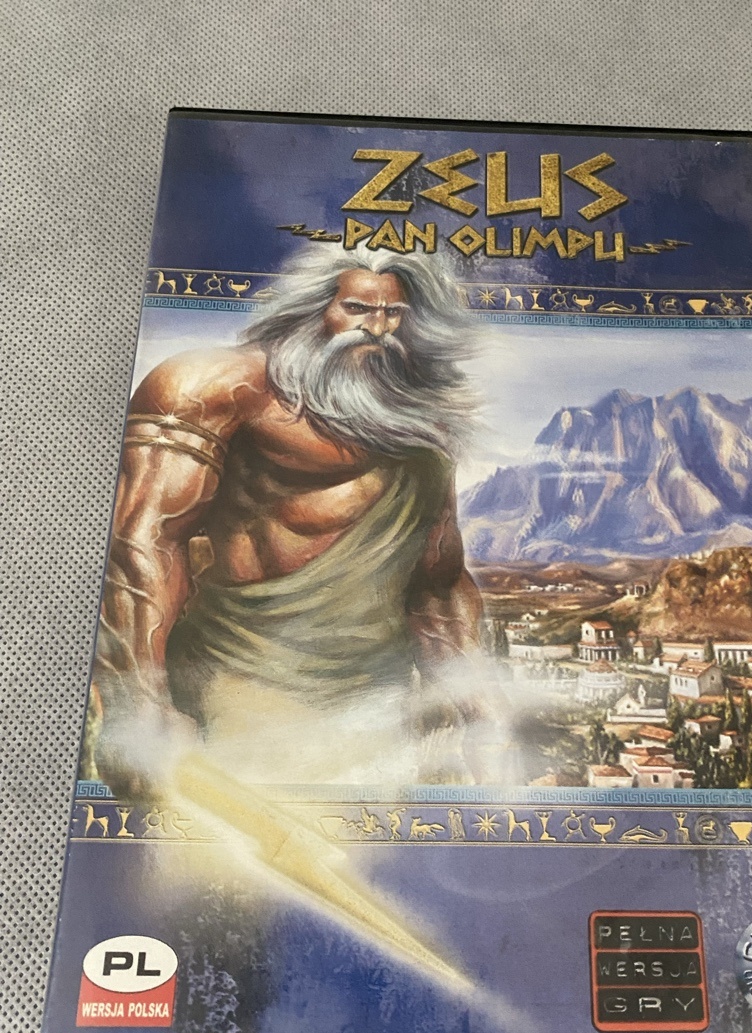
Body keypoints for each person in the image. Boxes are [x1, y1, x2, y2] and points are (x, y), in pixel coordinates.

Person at [92, 247, 488, 801]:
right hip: (236, 685)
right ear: (314, 309)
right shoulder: (213, 387)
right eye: (356, 309)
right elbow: (142, 540)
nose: (377, 328)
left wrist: (476, 702)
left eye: (394, 314)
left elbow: (438, 580)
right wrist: (139, 705)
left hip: (381, 703)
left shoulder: (426, 427)